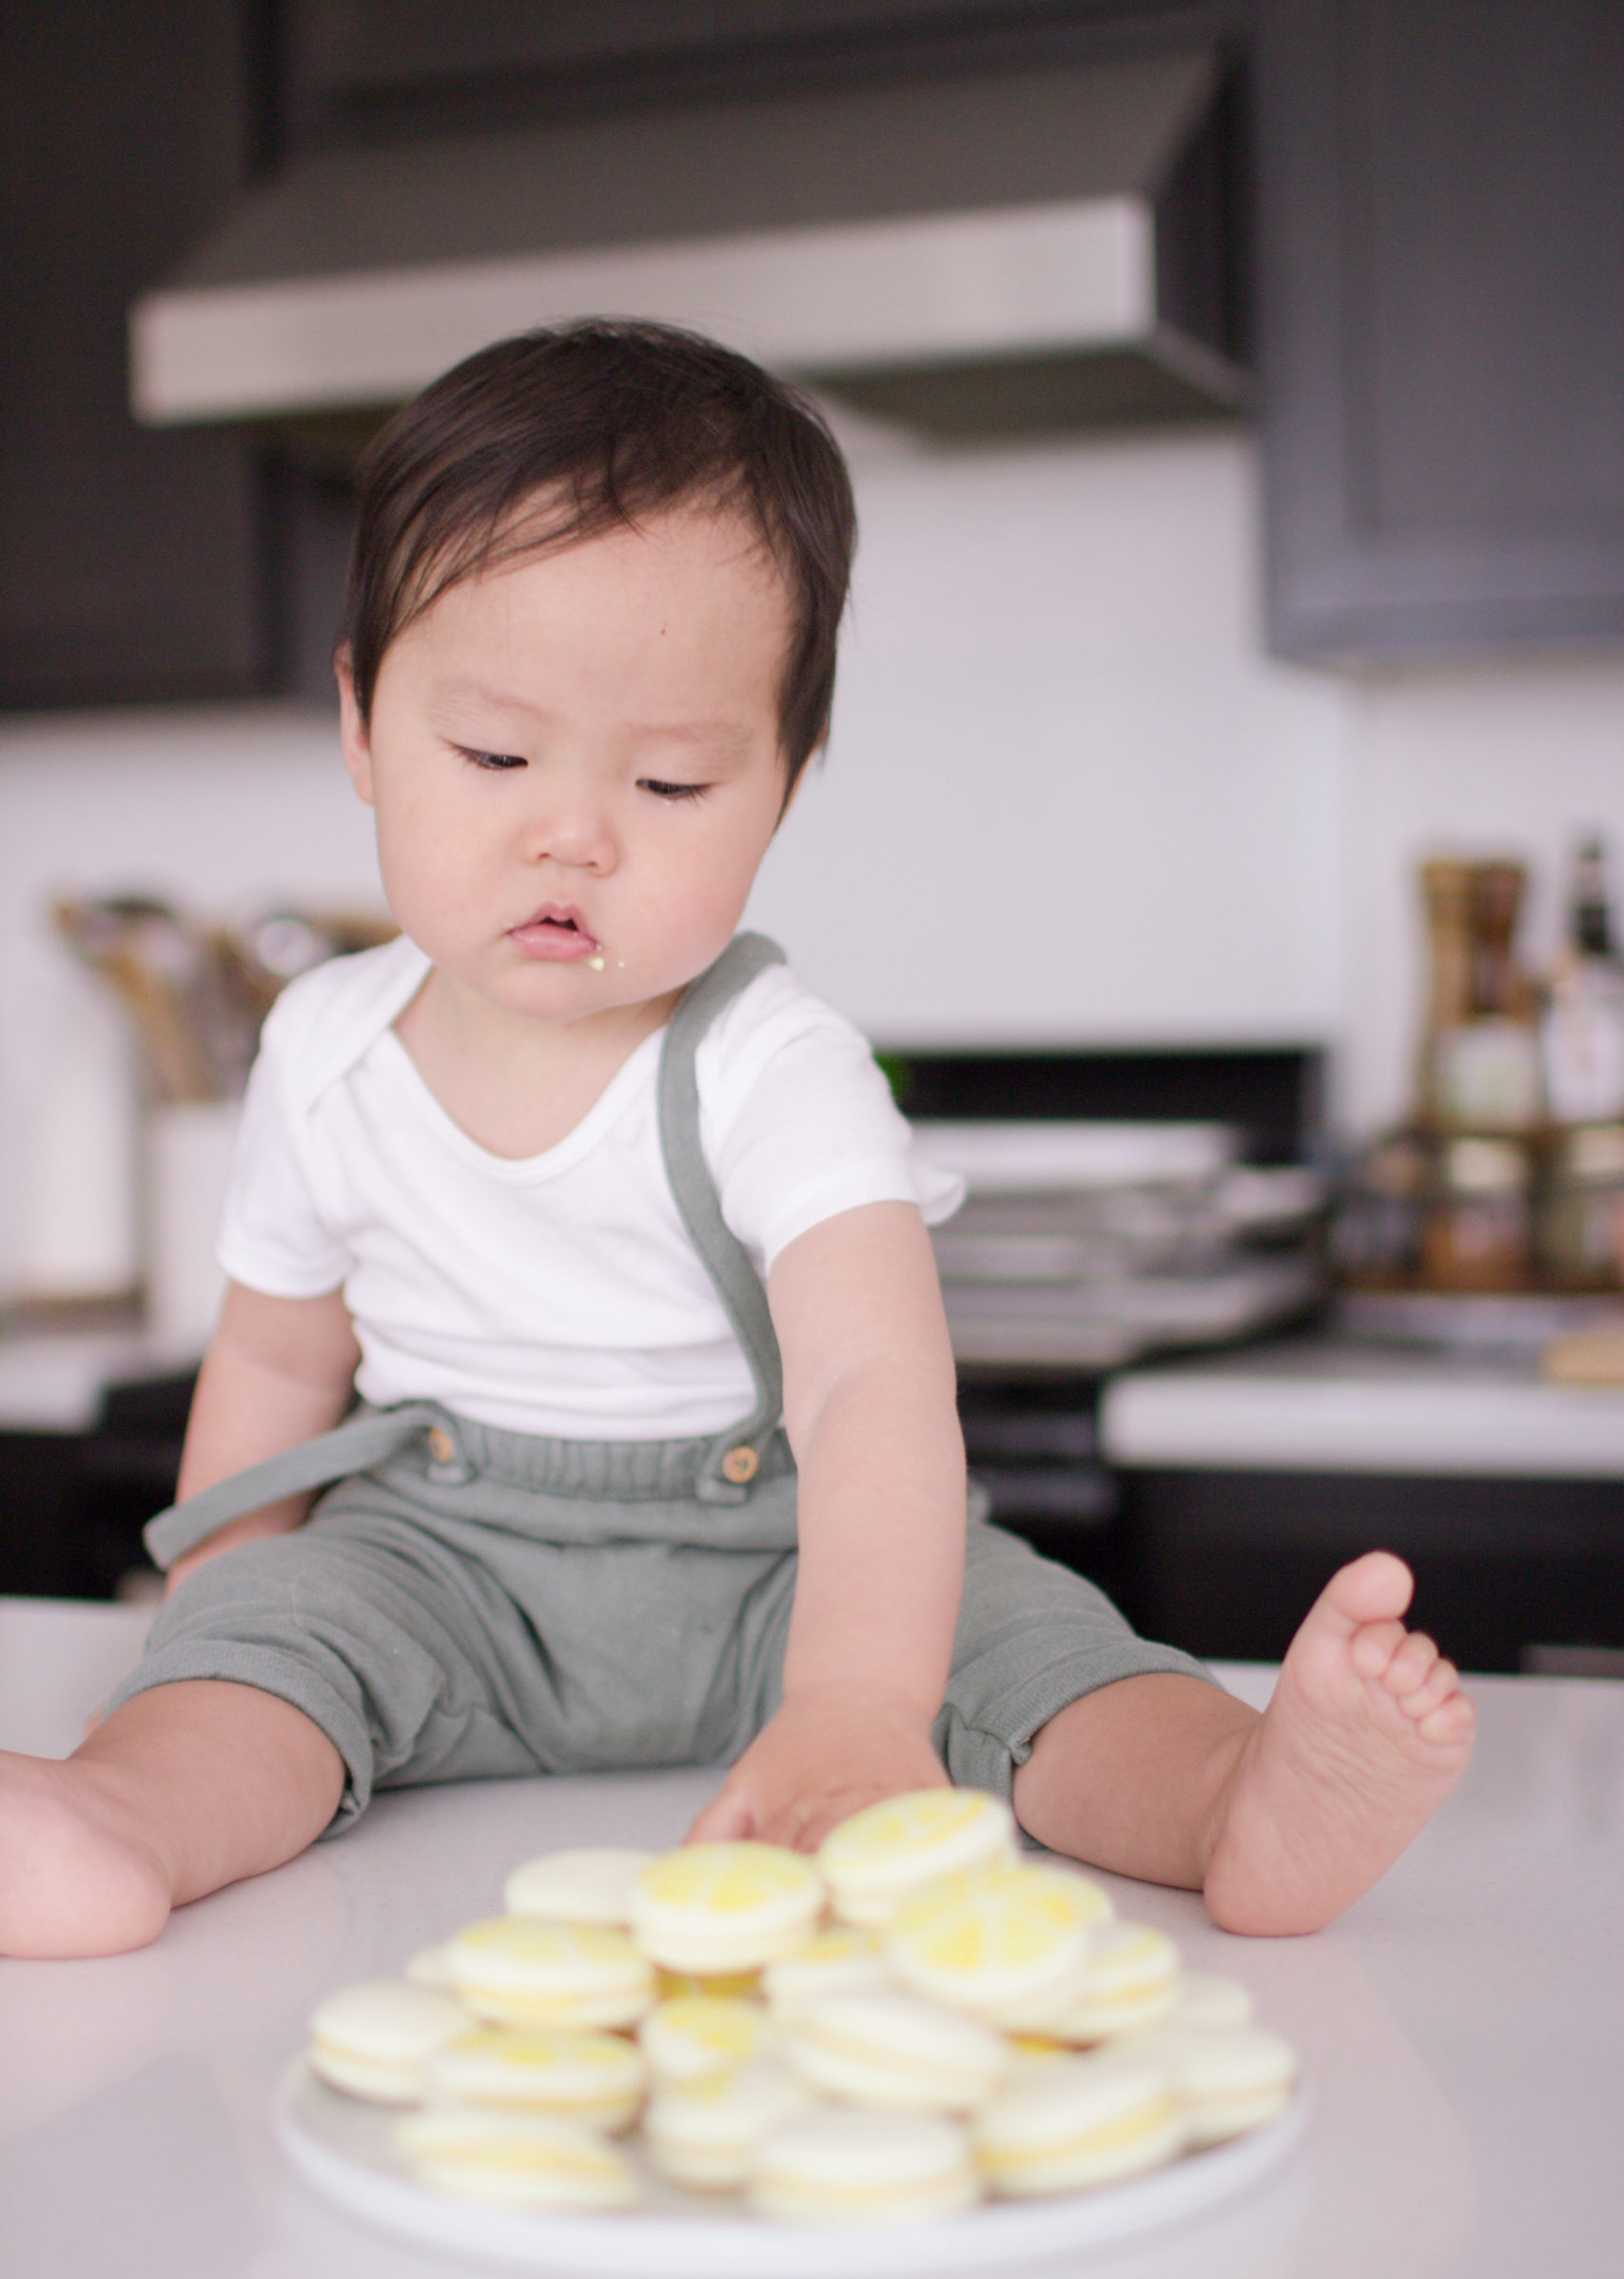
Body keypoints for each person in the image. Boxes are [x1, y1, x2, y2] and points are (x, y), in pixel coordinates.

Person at [0, 322, 1474, 1961]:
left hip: (790, 1562)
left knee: (1025, 1647)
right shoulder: (324, 1048)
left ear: (785, 782)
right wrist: (211, 1630)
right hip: (441, 1564)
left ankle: (1233, 1800)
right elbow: (276, 1369)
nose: (573, 830)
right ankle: (118, 1820)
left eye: (675, 781)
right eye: (492, 755)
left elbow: (873, 1390)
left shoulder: (776, 1064)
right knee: (268, 1655)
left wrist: (857, 1698)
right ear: (361, 723)